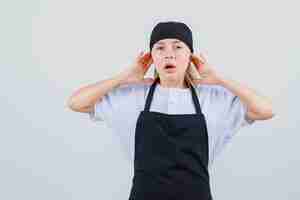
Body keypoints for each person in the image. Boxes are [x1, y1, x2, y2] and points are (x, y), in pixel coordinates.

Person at [67, 21, 275, 200]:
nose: (169, 55)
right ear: (152, 58)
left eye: (178, 47)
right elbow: (76, 102)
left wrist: (219, 79)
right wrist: (124, 78)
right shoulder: (132, 96)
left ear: (191, 56)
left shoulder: (212, 98)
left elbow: (266, 110)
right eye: (160, 48)